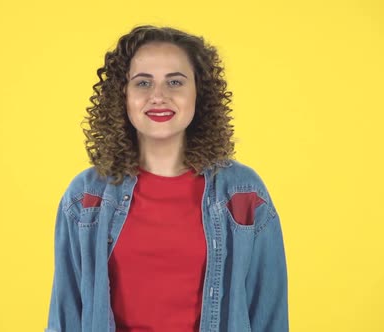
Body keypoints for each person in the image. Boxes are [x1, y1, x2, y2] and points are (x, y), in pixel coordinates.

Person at [45, 25, 288, 332]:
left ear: (199, 93)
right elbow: (65, 316)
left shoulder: (243, 195)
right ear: (123, 95)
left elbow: (269, 316)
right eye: (142, 83)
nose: (158, 96)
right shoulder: (85, 197)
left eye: (175, 82)